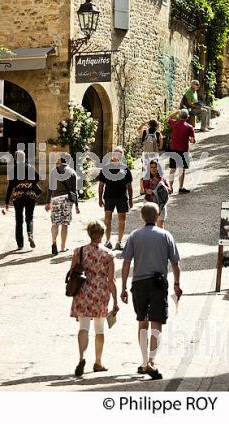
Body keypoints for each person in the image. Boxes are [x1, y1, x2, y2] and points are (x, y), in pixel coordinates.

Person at [121, 203, 182, 380]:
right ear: (157, 216)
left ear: (142, 217)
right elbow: (175, 264)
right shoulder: (165, 235)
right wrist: (177, 284)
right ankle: (152, 361)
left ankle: (144, 361)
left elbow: (126, 263)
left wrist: (124, 286)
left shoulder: (134, 236)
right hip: (158, 284)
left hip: (139, 284)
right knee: (156, 322)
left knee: (142, 321)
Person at [70, 220, 118, 377]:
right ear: (102, 234)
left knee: (83, 327)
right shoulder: (108, 255)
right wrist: (116, 301)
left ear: (89, 234)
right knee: (99, 329)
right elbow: (111, 280)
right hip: (100, 292)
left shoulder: (79, 251)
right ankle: (98, 362)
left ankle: (81, 357)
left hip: (83, 291)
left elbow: (72, 273)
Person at [98, 146, 133, 251]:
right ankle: (107, 241)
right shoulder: (105, 168)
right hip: (109, 197)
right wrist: (100, 198)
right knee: (107, 219)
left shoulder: (125, 169)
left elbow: (129, 186)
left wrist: (131, 199)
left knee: (122, 220)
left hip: (122, 197)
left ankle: (119, 242)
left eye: (120, 154)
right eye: (116, 153)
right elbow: (101, 185)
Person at [4, 150, 41, 250]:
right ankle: (30, 235)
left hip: (18, 197)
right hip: (30, 196)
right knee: (29, 218)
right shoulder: (29, 167)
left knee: (19, 220)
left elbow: (10, 187)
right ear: (24, 158)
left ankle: (20, 244)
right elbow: (38, 177)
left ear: (16, 158)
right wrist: (30, 183)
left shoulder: (13, 170)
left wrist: (6, 202)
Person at [45, 157, 80, 256]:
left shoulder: (53, 171)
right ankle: (63, 247)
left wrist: (48, 202)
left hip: (55, 199)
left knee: (55, 223)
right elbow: (74, 191)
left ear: (60, 162)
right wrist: (77, 205)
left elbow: (50, 188)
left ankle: (53, 242)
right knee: (64, 224)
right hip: (67, 200)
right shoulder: (72, 172)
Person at [168, 109, 195, 194]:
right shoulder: (190, 127)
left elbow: (168, 118)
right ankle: (180, 187)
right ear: (188, 117)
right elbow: (193, 140)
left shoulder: (175, 123)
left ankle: (170, 188)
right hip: (183, 150)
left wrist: (177, 111)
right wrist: (190, 140)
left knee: (172, 169)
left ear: (180, 116)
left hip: (173, 149)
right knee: (182, 170)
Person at [140, 160, 170, 229]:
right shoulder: (145, 179)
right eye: (152, 167)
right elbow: (141, 192)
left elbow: (169, 190)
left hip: (161, 203)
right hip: (149, 203)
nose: (154, 169)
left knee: (160, 224)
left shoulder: (163, 179)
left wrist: (164, 189)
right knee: (149, 225)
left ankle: (160, 238)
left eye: (155, 167)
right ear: (149, 168)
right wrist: (145, 191)